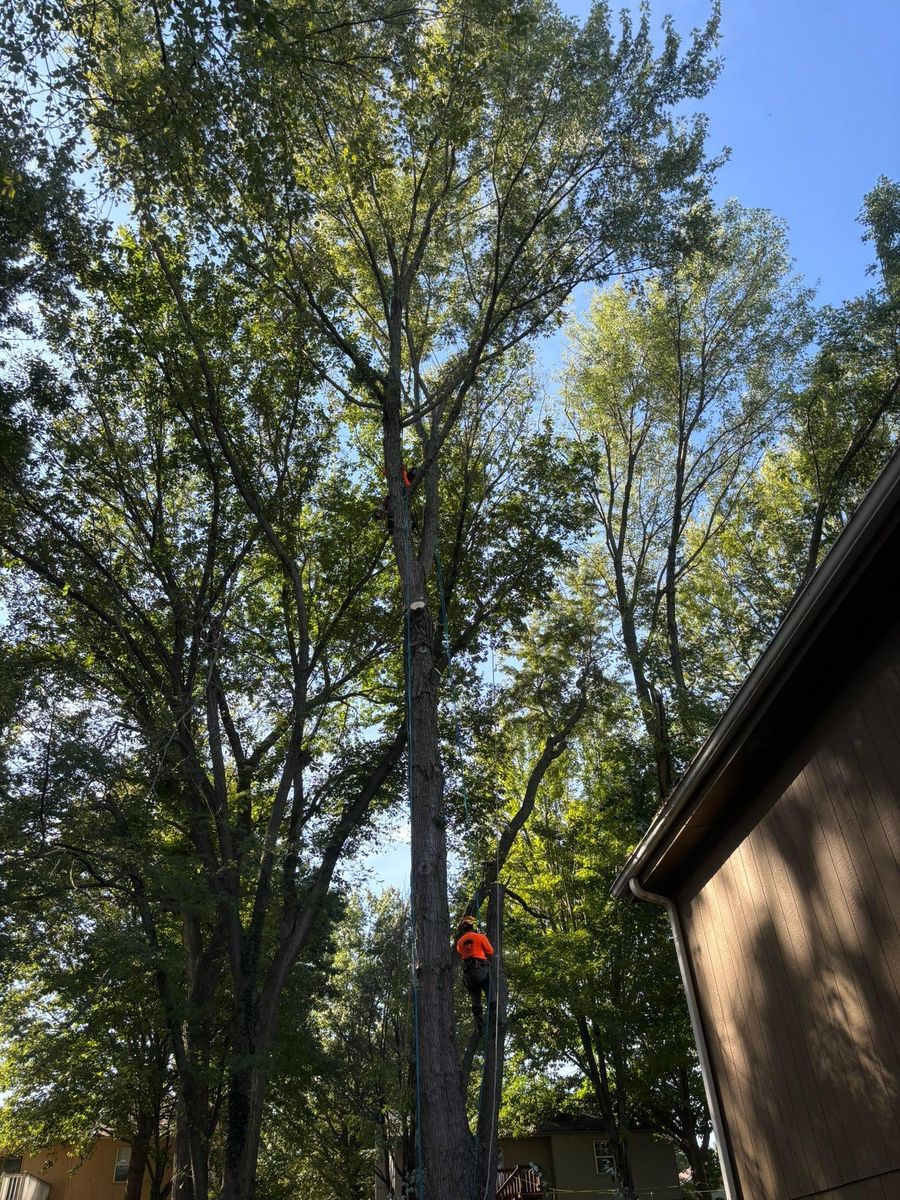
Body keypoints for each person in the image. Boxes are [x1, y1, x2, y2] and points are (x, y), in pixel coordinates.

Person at [454, 914, 494, 1025]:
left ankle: (479, 1024)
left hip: (468, 974)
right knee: (490, 991)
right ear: (474, 925)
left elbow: (460, 951)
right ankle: (495, 1018)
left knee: (475, 999)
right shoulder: (480, 937)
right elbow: (490, 951)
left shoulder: (460, 941)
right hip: (480, 969)